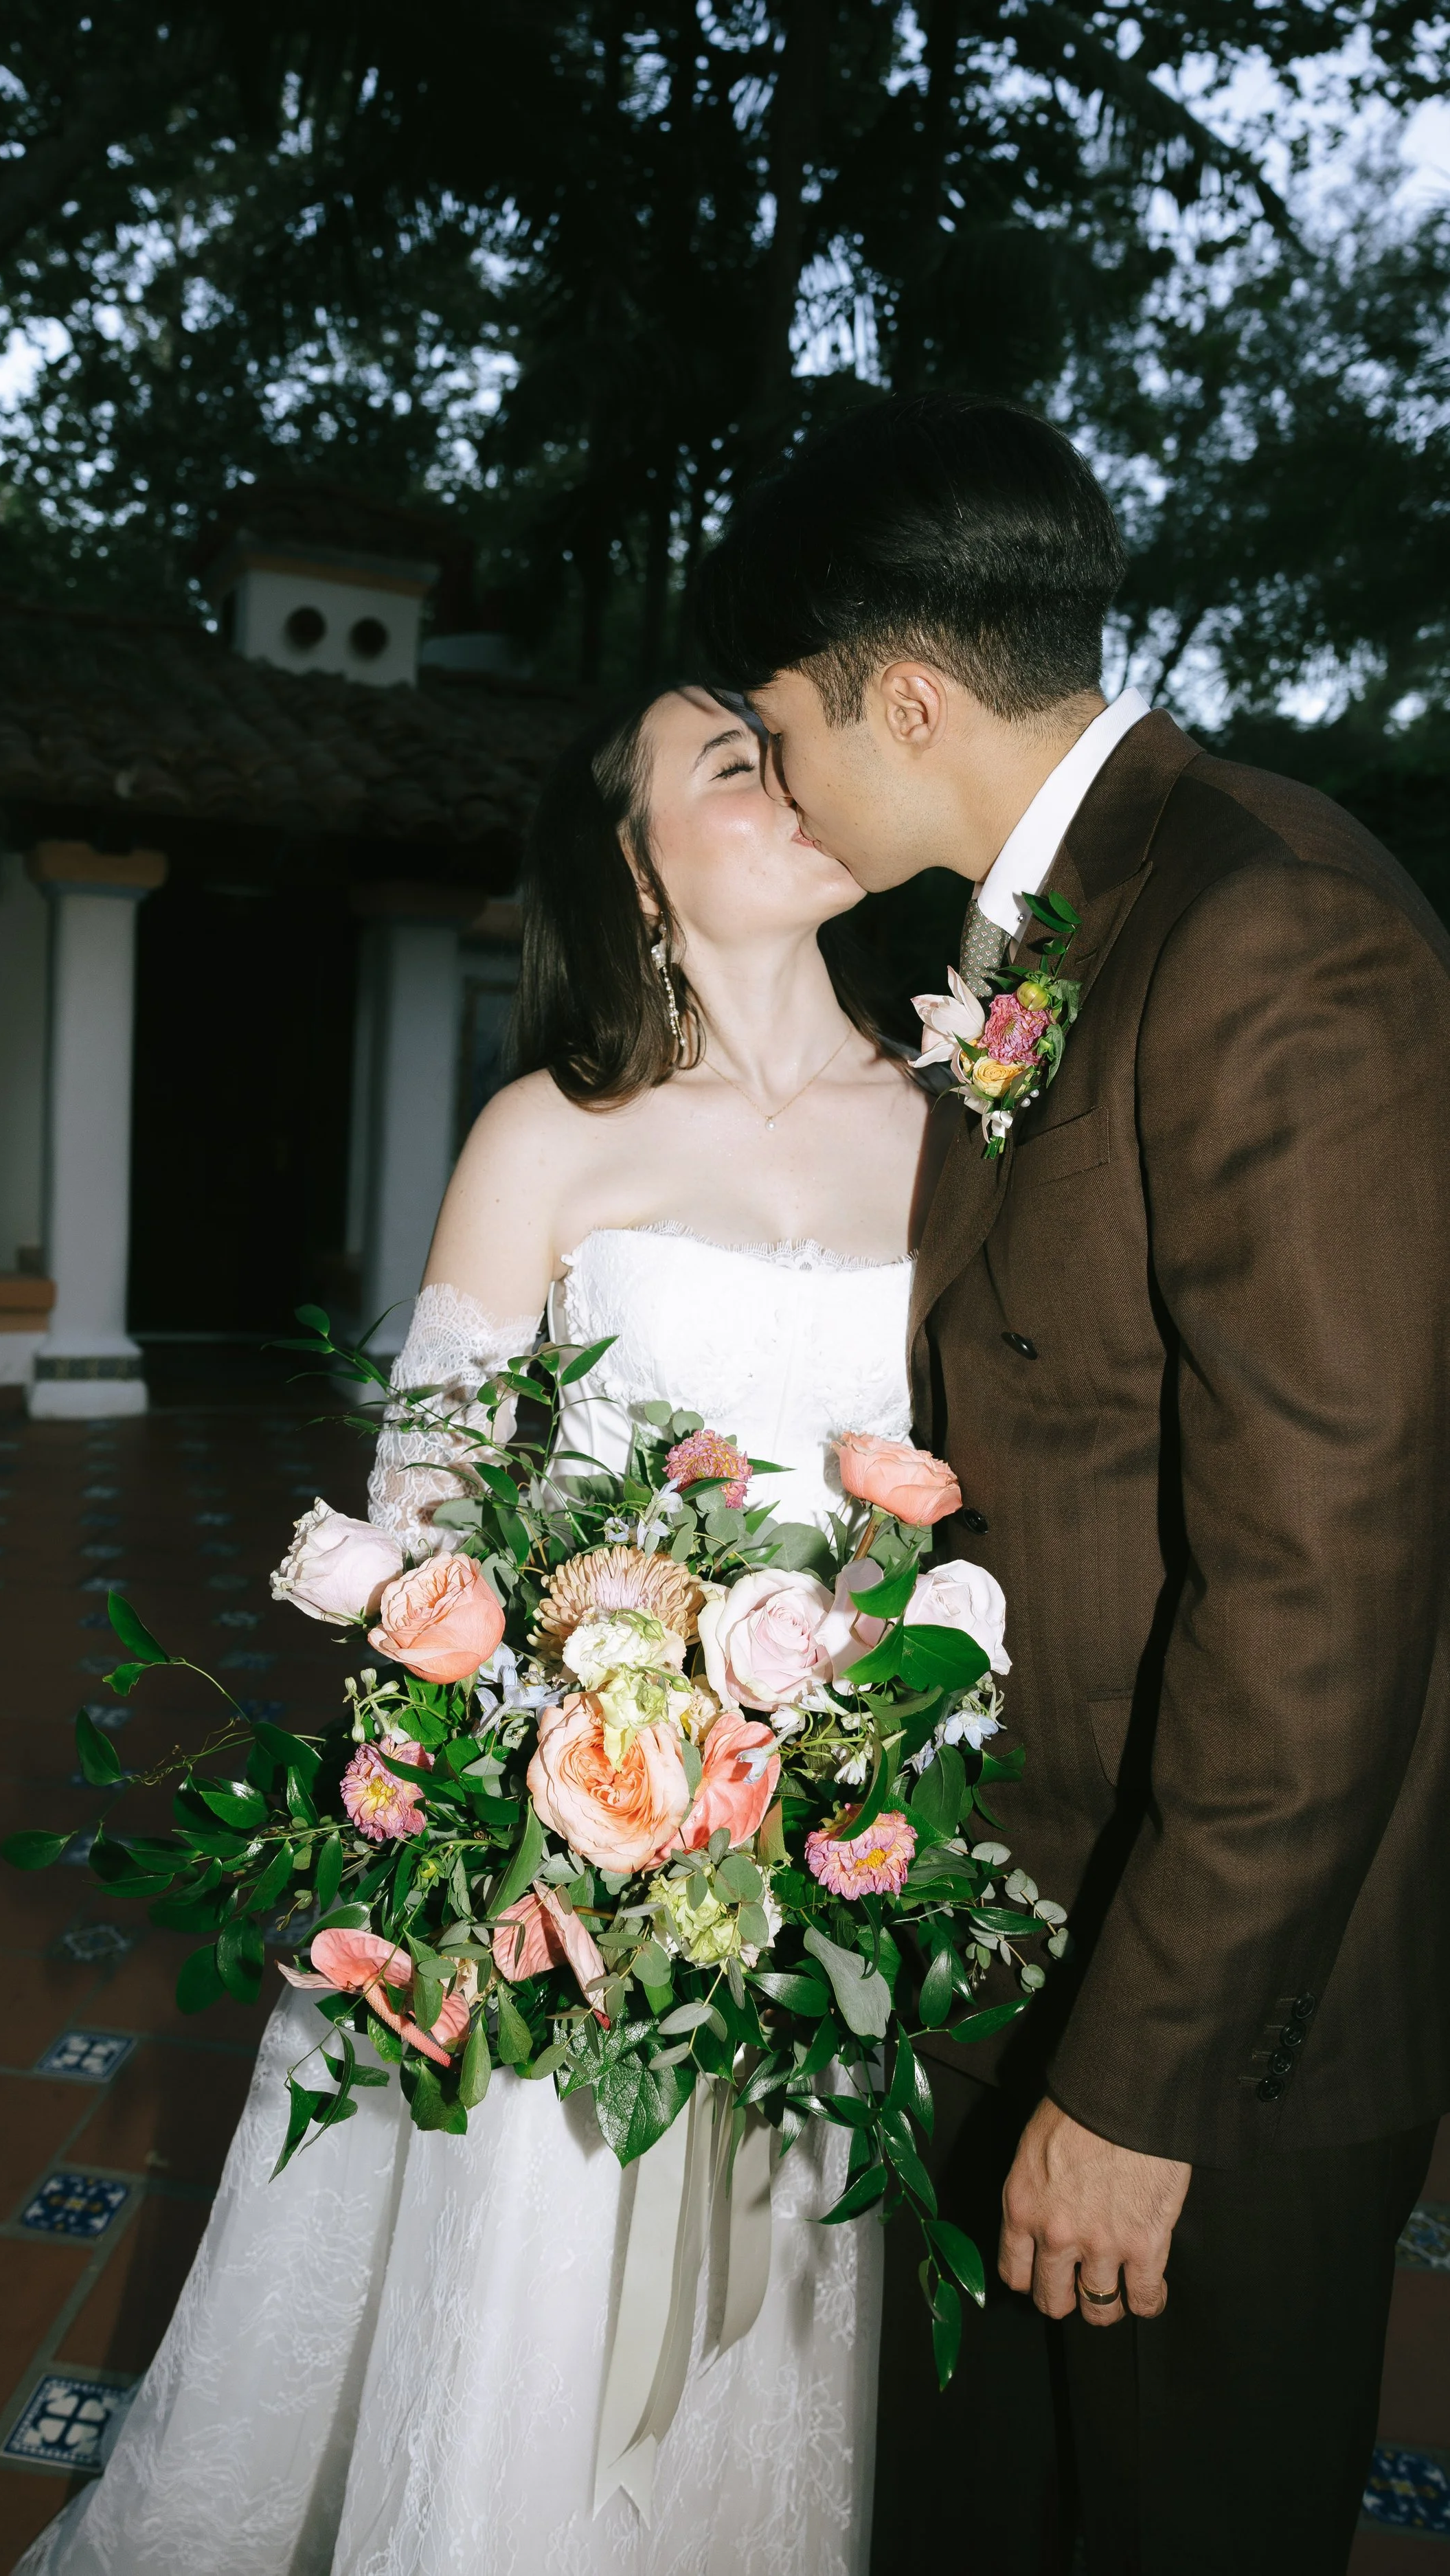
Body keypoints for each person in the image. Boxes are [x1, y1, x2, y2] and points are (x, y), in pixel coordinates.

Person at [16, 683, 936, 2576]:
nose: (788, 781)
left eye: (787, 746)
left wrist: (845, 1727)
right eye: (727, 763)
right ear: (631, 861)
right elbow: (427, 1498)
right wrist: (590, 1743)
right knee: (533, 2275)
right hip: (574, 1833)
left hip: (830, 1837)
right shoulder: (548, 1131)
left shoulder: (948, 1126)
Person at [696, 389, 1450, 2573]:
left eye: (784, 725)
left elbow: (1328, 1572)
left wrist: (1136, 2085)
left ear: (905, 696)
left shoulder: (1269, 929)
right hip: (1019, 1926)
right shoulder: (1067, 916)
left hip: (1212, 2025)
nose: (780, 772)